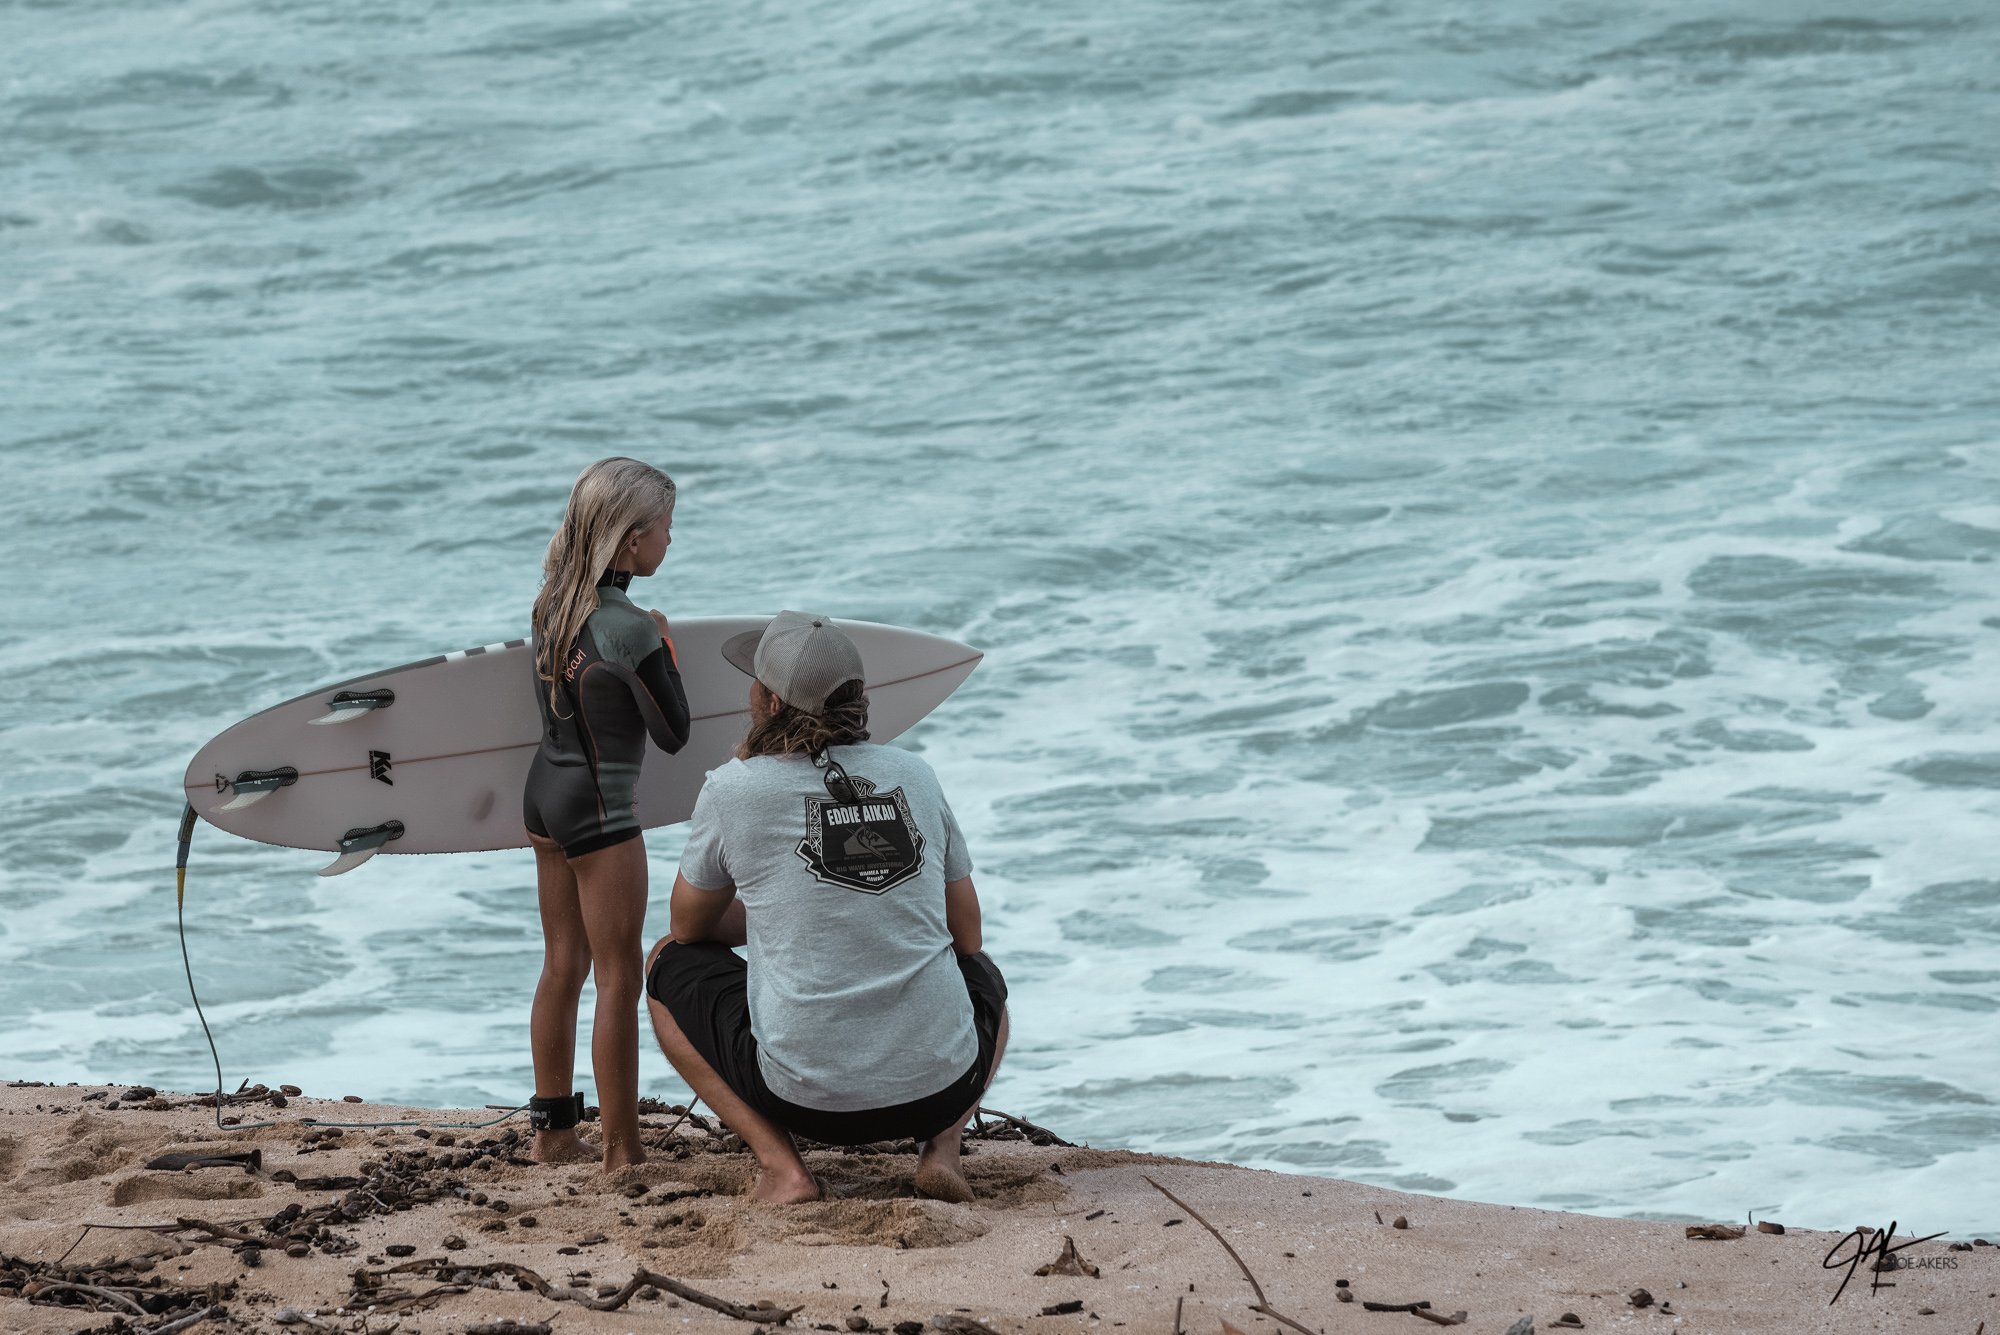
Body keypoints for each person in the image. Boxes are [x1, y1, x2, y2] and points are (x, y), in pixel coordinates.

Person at [644, 611, 1007, 1203]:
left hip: (804, 1100)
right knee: (984, 976)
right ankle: (942, 1152)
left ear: (768, 701)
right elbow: (967, 935)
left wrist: (783, 908)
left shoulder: (733, 789)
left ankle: (783, 1169)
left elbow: (687, 926)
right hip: (941, 1089)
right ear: (858, 699)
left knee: (666, 961)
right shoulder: (914, 774)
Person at [523, 457, 691, 1169]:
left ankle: (554, 1134)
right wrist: (667, 644)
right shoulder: (630, 627)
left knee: (562, 964)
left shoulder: (550, 605)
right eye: (665, 528)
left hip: (544, 795)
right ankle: (622, 1151)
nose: (671, 541)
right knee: (618, 977)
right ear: (630, 540)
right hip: (598, 809)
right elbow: (673, 732)